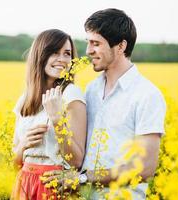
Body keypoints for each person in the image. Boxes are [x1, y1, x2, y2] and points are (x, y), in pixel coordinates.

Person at [42, 8, 166, 199]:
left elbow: (146, 167)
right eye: (88, 43)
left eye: (96, 43)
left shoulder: (147, 95)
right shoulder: (90, 90)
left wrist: (83, 178)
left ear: (121, 46)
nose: (88, 51)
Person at [11, 29, 87, 200]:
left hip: (54, 185)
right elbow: (14, 163)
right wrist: (22, 146)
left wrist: (57, 119)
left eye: (67, 54)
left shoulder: (71, 95)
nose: (62, 59)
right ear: (40, 55)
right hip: (24, 184)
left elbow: (76, 161)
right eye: (54, 52)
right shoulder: (24, 100)